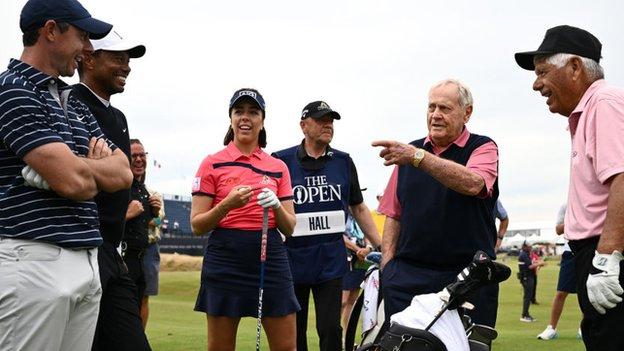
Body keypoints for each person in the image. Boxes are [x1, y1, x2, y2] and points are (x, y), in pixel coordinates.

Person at [0, 1, 132, 350]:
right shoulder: (13, 89)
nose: (88, 48)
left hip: (85, 260)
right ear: (51, 31)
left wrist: (73, 165)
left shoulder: (72, 101)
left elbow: (122, 173)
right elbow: (74, 183)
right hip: (33, 262)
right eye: (82, 35)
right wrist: (82, 170)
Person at [515, 25, 624, 350]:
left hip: (606, 255)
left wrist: (606, 258)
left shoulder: (603, 103)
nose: (537, 84)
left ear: (575, 67)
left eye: (543, 72)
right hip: (592, 253)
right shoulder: (589, 110)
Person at [372, 79, 500, 328]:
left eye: (445, 108)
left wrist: (418, 157)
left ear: (467, 112)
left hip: (467, 276)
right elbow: (394, 213)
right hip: (409, 275)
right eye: (432, 108)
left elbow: (474, 184)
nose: (436, 115)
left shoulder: (483, 147)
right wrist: (388, 268)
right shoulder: (409, 152)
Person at [190, 88, 299, 351]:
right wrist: (226, 205)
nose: (245, 118)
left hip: (269, 254)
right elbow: (197, 225)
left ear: (263, 120)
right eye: (239, 111)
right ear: (231, 118)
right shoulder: (212, 164)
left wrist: (275, 207)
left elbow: (290, 227)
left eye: (253, 112)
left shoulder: (277, 166)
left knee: (286, 347)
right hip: (226, 256)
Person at [273, 101, 382, 351]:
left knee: (331, 329)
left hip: (330, 261)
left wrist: (379, 244)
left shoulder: (343, 162)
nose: (328, 125)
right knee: (294, 331)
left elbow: (359, 207)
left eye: (331, 120)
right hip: (292, 260)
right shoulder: (281, 161)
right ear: (303, 126)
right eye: (321, 120)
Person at [73, 29, 151, 350]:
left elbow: (119, 177)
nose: (127, 66)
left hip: (112, 253)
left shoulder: (117, 116)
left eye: (128, 60)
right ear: (89, 59)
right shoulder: (71, 103)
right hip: (81, 252)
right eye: (118, 58)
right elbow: (83, 176)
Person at [124, 139, 163, 316]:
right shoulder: (119, 186)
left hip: (144, 253)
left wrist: (153, 213)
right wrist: (128, 214)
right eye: (134, 155)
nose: (139, 159)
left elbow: (157, 223)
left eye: (142, 155)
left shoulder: (149, 193)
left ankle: (137, 340)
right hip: (122, 256)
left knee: (142, 298)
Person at [537, 203, 582, 340]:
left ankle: (583, 328)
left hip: (588, 250)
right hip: (570, 251)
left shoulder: (591, 201)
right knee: (561, 291)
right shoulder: (566, 206)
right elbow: (558, 229)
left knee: (585, 292)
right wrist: (576, 220)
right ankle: (552, 328)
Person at [341, 214, 373, 337]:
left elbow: (367, 234)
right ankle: (336, 334)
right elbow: (341, 237)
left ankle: (346, 336)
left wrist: (368, 248)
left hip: (360, 261)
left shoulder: (360, 216)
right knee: (343, 301)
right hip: (346, 258)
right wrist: (357, 249)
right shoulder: (343, 215)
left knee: (351, 301)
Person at [142, 188, 164, 329]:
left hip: (149, 247)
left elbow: (157, 220)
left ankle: (140, 337)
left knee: (144, 296)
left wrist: (139, 219)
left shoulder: (154, 193)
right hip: (128, 248)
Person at [518, 243, 546, 322]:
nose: (531, 248)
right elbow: (530, 266)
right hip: (527, 277)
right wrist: (540, 263)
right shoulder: (524, 255)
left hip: (529, 277)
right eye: (529, 247)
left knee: (528, 297)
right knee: (527, 297)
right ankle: (524, 315)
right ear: (524, 247)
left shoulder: (526, 254)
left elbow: (532, 263)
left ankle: (525, 314)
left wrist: (538, 263)